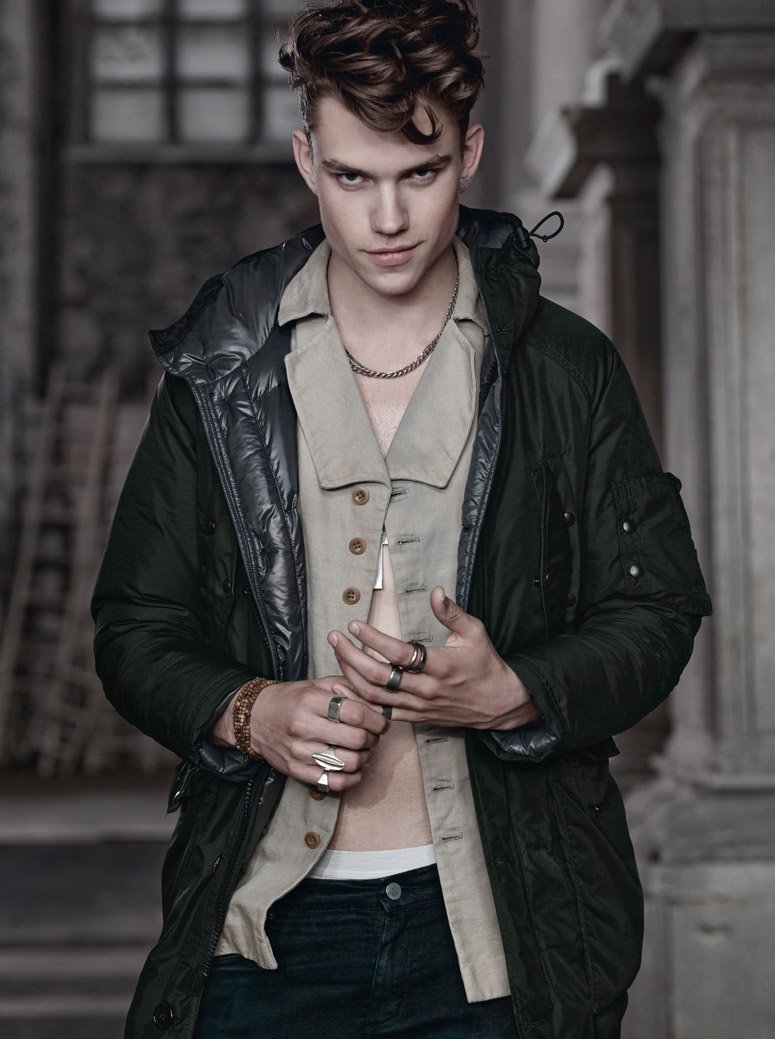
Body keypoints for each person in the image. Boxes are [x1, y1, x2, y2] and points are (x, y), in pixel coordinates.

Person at [92, 1, 712, 1037]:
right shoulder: (221, 368)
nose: (387, 218)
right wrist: (250, 710)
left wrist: (519, 690)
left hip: (500, 927)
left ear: (468, 153)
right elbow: (134, 627)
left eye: (419, 174)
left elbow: (659, 609)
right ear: (306, 159)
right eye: (352, 177)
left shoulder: (565, 367)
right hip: (266, 924)